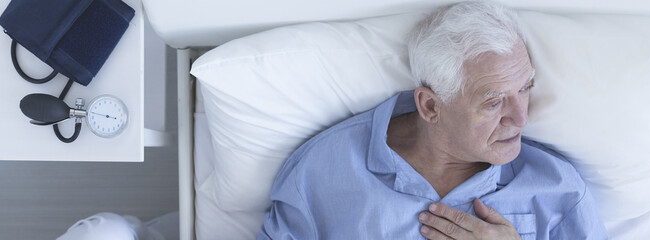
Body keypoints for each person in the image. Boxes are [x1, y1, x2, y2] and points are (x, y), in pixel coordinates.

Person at [258, 1, 608, 239]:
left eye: (525, 89)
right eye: (493, 102)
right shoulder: (321, 172)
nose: (520, 118)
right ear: (429, 106)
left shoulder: (559, 189)